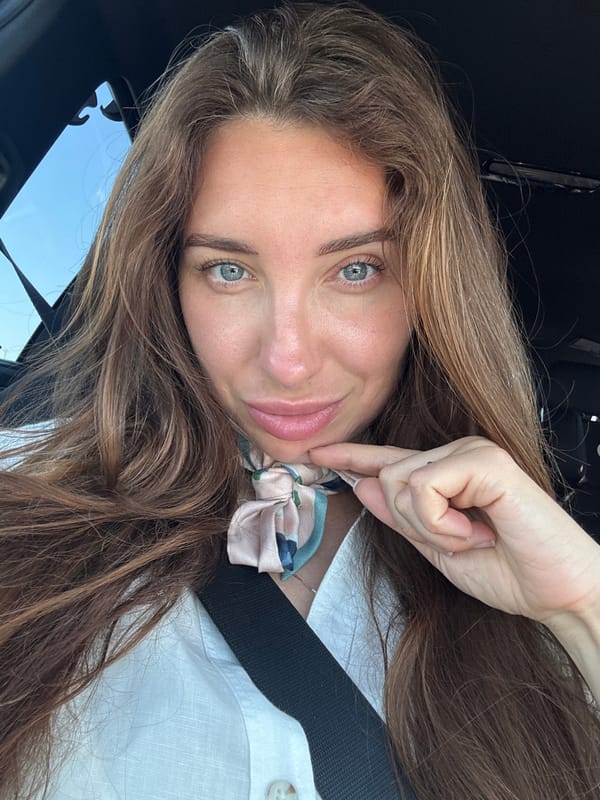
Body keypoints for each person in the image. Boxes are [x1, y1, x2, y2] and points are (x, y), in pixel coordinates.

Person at [1, 3, 599, 799]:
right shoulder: (20, 496)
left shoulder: (536, 588)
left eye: (355, 271)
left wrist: (582, 606)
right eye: (229, 270)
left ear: (429, 287)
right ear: (166, 282)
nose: (287, 360)